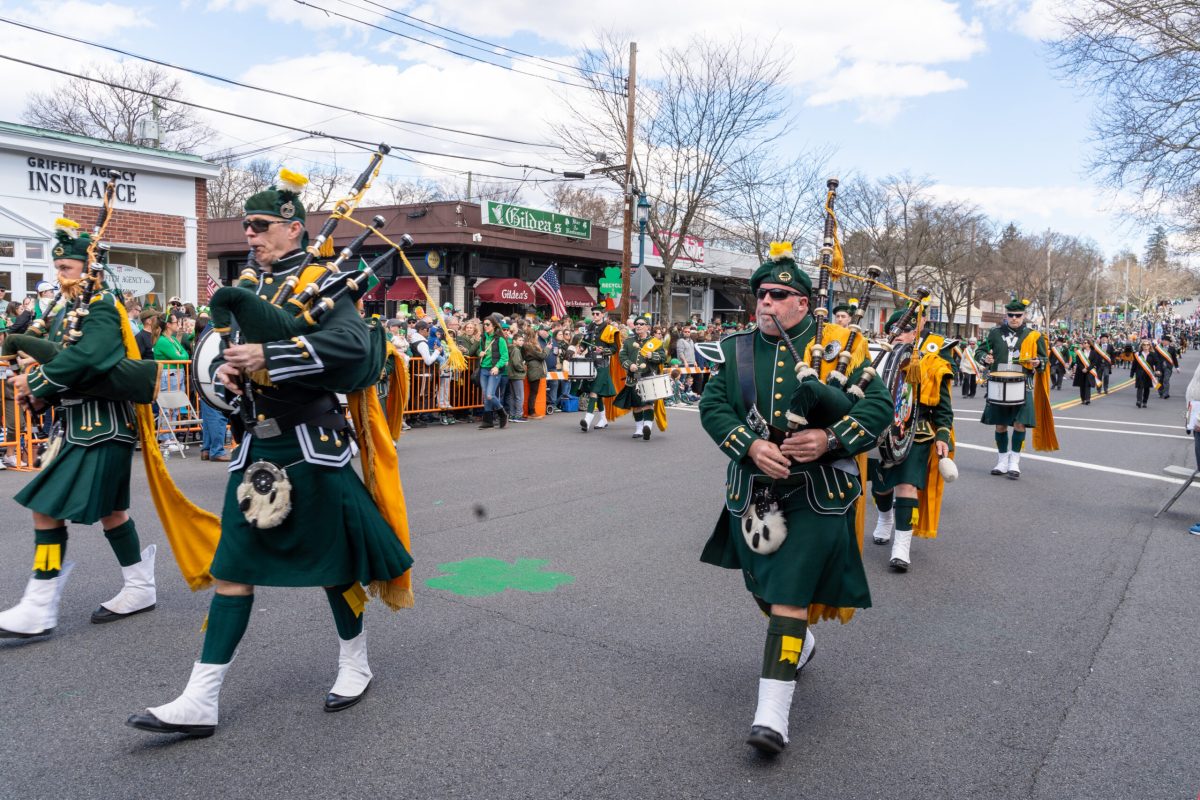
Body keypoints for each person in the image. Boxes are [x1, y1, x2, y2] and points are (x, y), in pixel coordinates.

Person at [127, 169, 413, 737]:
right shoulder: (254, 289)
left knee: (336, 571)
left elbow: (354, 349)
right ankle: (200, 698)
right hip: (258, 446)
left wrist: (272, 358)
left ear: (293, 226)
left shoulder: (323, 279)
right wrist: (232, 377)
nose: (251, 236)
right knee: (231, 568)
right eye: (247, 227)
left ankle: (354, 663)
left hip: (312, 446)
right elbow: (236, 355)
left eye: (260, 227)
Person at [698, 243, 892, 757]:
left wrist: (831, 439)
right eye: (760, 294)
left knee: (789, 592)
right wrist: (751, 445)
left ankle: (772, 717)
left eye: (777, 295)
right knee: (761, 586)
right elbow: (714, 406)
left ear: (802, 302)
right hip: (757, 491)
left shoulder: (840, 344)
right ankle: (799, 643)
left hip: (819, 493)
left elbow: (879, 407)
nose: (765, 302)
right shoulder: (737, 348)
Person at [0, 217, 159, 638]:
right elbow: (66, 364)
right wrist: (38, 394)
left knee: (46, 507)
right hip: (81, 423)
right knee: (112, 512)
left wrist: (34, 379)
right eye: (57, 268)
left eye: (66, 267)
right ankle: (140, 585)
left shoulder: (103, 304)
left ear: (89, 267)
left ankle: (39, 602)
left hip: (100, 425)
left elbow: (90, 358)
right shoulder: (70, 310)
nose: (59, 274)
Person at [870, 311, 955, 571]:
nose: (897, 336)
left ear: (916, 330)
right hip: (880, 428)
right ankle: (885, 518)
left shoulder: (933, 356)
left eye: (904, 330)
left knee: (906, 486)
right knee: (882, 486)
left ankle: (901, 547)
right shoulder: (878, 353)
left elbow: (942, 404)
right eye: (893, 330)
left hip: (916, 430)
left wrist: (942, 433)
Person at [975, 299, 1051, 479]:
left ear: (1024, 315)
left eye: (1018, 315)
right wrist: (985, 357)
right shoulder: (995, 333)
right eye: (1011, 315)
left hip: (1022, 384)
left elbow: (1044, 359)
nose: (1014, 318)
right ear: (1006, 315)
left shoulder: (1034, 335)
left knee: (1019, 423)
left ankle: (1014, 462)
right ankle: (1002, 461)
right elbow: (979, 351)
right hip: (998, 384)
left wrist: (1038, 362)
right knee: (1000, 424)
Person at [613, 316, 666, 440]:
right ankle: (638, 429)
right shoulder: (628, 341)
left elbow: (663, 358)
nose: (638, 326)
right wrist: (629, 365)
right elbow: (622, 356)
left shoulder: (655, 342)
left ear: (647, 327)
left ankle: (647, 426)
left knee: (648, 403)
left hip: (648, 376)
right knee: (636, 405)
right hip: (633, 377)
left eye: (641, 324)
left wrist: (652, 355)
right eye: (636, 324)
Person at [579, 306, 619, 433]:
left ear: (603, 315)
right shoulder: (589, 327)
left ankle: (587, 419)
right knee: (596, 393)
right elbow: (584, 342)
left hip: (602, 363)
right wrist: (579, 348)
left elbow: (614, 348)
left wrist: (604, 350)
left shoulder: (609, 329)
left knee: (594, 391)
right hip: (590, 362)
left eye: (597, 314)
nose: (594, 316)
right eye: (593, 314)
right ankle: (603, 419)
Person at [477, 314, 509, 429]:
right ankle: (488, 421)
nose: (485, 326)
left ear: (494, 326)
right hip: (483, 369)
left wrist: (497, 367)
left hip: (494, 370)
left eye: (487, 324)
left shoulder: (500, 339)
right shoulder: (483, 338)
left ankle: (502, 414)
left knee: (490, 395)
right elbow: (480, 351)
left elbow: (505, 356)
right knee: (486, 396)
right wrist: (479, 353)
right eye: (484, 324)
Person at [523, 329, 546, 419]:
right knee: (533, 391)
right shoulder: (529, 346)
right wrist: (547, 349)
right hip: (534, 369)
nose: (537, 337)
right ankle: (531, 412)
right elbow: (542, 356)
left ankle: (531, 411)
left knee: (533, 391)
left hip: (534, 368)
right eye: (536, 335)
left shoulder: (528, 346)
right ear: (533, 336)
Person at [1133, 339, 1160, 408]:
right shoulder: (1137, 354)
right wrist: (1132, 373)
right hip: (1139, 373)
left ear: (1150, 346)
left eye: (1147, 345)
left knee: (1146, 388)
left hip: (1148, 374)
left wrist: (1157, 370)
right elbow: (1134, 364)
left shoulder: (1153, 354)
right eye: (1144, 345)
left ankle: (1145, 401)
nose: (1146, 346)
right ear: (1141, 346)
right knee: (1140, 387)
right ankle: (1139, 401)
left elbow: (1157, 363)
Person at [1072, 340, 1099, 406]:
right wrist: (1082, 368)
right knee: (1082, 385)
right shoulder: (1080, 352)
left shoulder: (1094, 352)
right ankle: (1083, 399)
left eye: (1085, 343)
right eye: (1083, 343)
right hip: (1081, 370)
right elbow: (1078, 361)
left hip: (1089, 371)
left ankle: (1087, 399)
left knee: (1087, 384)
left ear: (1089, 344)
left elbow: (1094, 362)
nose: (1084, 344)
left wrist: (1087, 369)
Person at [1155, 334, 1180, 399]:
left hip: (1168, 367)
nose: (1165, 342)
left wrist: (1177, 367)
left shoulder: (1172, 349)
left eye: (1166, 341)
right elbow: (1155, 358)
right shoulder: (1157, 348)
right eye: (1164, 340)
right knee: (1159, 381)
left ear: (1169, 342)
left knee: (1166, 380)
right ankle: (1160, 392)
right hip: (1159, 367)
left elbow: (1174, 358)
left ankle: (1166, 394)